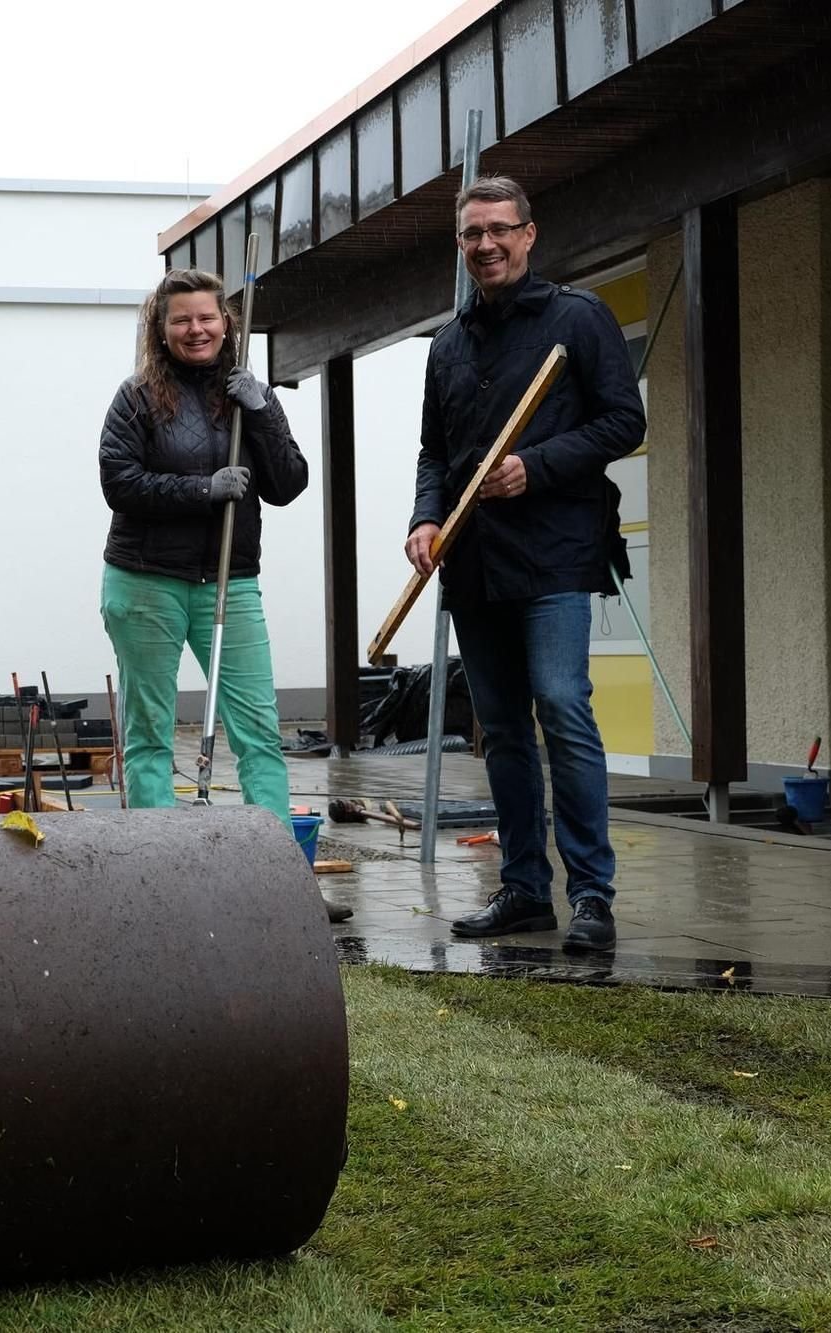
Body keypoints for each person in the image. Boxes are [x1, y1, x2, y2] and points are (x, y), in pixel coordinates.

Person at [405, 176, 646, 952]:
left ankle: (593, 895)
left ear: (530, 234)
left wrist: (535, 467)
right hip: (473, 562)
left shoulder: (579, 319)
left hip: (557, 554)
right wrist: (426, 517)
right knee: (503, 730)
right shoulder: (447, 342)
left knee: (562, 708)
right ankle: (523, 889)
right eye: (473, 233)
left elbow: (623, 420)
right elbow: (434, 452)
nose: (487, 245)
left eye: (500, 230)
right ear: (461, 243)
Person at [99, 269, 348, 921]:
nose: (196, 329)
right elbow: (119, 482)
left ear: (227, 323)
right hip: (146, 580)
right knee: (149, 729)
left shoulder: (247, 399)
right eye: (181, 319)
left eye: (206, 317)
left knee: (259, 729)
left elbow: (289, 482)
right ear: (161, 328)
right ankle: (160, 880)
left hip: (229, 583)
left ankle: (278, 881)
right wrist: (201, 489)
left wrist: (262, 412)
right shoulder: (136, 398)